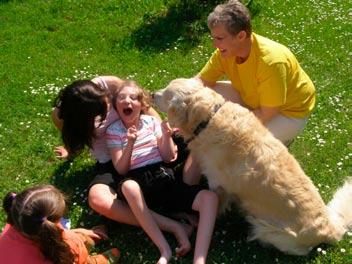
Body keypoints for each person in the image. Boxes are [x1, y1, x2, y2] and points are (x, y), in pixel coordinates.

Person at [52, 76, 195, 259]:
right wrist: (70, 150)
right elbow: (74, 133)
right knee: (97, 199)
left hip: (145, 143)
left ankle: (185, 192)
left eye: (106, 103)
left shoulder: (108, 85)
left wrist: (161, 133)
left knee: (194, 137)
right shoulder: (63, 115)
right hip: (110, 162)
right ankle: (172, 225)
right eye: (100, 112)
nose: (107, 108)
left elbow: (144, 106)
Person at [106, 80, 219, 264]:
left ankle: (199, 259)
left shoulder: (151, 122)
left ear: (142, 105)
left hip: (164, 177)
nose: (128, 101)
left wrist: (166, 136)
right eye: (122, 97)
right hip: (139, 184)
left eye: (134, 98)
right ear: (116, 105)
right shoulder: (114, 131)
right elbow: (121, 168)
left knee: (210, 198)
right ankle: (164, 249)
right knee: (129, 186)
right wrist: (130, 143)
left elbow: (168, 157)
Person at [196, 0, 316, 146]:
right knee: (202, 94)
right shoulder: (225, 52)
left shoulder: (271, 62)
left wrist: (229, 127)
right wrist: (182, 104)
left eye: (220, 38)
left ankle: (282, 139)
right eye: (213, 38)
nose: (215, 44)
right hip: (254, 97)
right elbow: (200, 82)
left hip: (287, 113)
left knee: (233, 142)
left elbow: (267, 113)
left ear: (241, 36)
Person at [0, 184, 120, 264]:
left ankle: (88, 238)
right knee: (75, 248)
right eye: (60, 218)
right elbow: (68, 248)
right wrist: (79, 242)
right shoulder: (61, 250)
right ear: (50, 224)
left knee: (77, 238)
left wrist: (83, 233)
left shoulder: (18, 223)